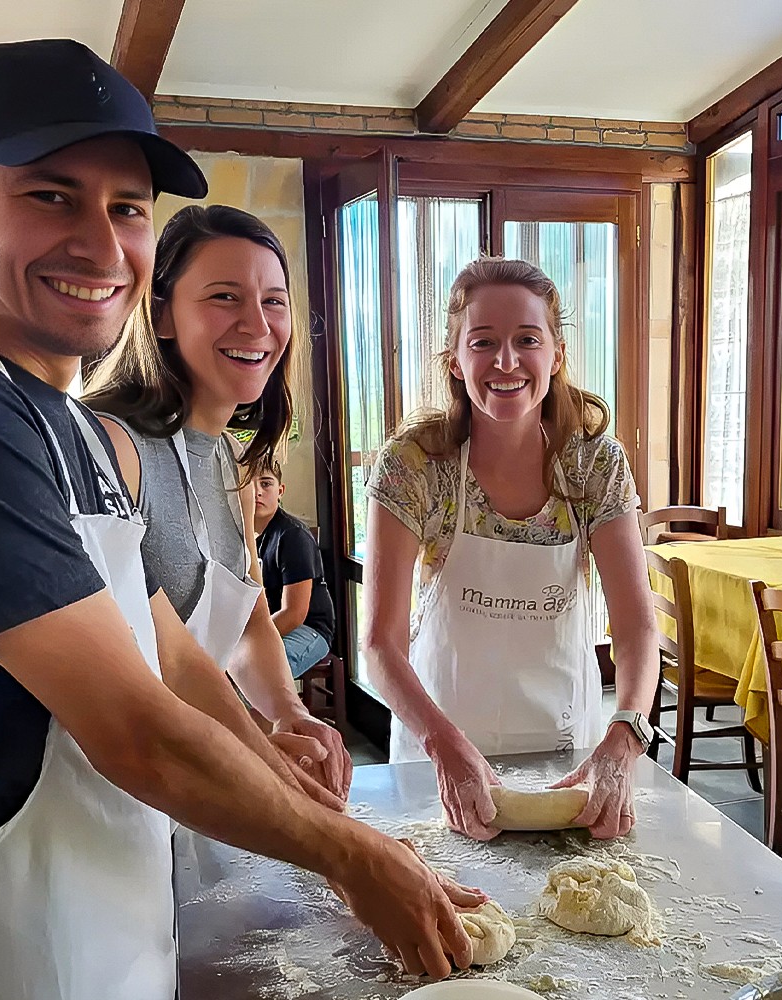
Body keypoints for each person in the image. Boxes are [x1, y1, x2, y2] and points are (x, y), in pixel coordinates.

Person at [0, 39, 475, 1000]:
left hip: (107, 927)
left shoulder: (75, 428)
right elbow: (134, 728)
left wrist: (332, 818)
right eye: (50, 195)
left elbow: (176, 662)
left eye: (126, 208)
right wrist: (355, 861)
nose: (98, 240)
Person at [363, 258, 661, 843]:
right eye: (483, 342)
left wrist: (624, 736)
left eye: (527, 340)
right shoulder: (416, 464)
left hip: (566, 753)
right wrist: (440, 744)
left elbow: (636, 628)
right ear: (455, 360)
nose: (506, 362)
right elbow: (379, 643)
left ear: (556, 355)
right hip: (439, 752)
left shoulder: (593, 462)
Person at [84, 204, 351, 798]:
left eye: (274, 300)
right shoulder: (109, 446)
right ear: (162, 316)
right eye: (225, 297)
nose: (257, 325)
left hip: (199, 783)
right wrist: (270, 770)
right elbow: (159, 661)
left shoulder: (230, 458)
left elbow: (252, 623)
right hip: (112, 784)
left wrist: (288, 711)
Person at [249, 460, 337, 678]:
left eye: (266, 484)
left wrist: (251, 640)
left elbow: (294, 613)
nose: (257, 492)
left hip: (309, 629)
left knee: (262, 676)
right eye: (249, 485)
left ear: (280, 491)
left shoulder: (292, 536)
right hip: (268, 627)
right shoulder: (244, 535)